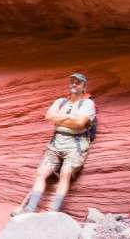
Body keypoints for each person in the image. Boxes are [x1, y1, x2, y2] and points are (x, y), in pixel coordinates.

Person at [13, 72, 96, 215]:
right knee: (41, 173)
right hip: (56, 143)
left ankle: (53, 211)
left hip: (74, 145)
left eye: (78, 82)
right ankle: (29, 209)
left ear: (84, 86)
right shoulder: (60, 102)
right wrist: (69, 117)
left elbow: (79, 123)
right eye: (72, 81)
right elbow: (49, 116)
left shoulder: (87, 103)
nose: (74, 84)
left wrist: (60, 118)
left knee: (65, 173)